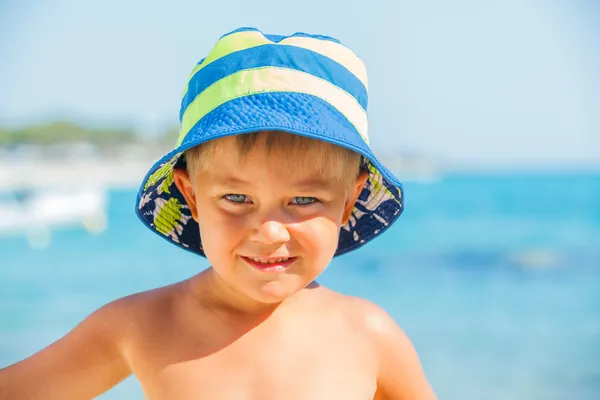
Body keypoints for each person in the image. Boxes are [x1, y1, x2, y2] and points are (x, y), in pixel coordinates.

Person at [0, 27, 436, 399]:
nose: (268, 232)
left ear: (349, 201)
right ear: (190, 196)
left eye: (302, 201)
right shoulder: (140, 326)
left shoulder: (368, 335)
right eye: (236, 199)